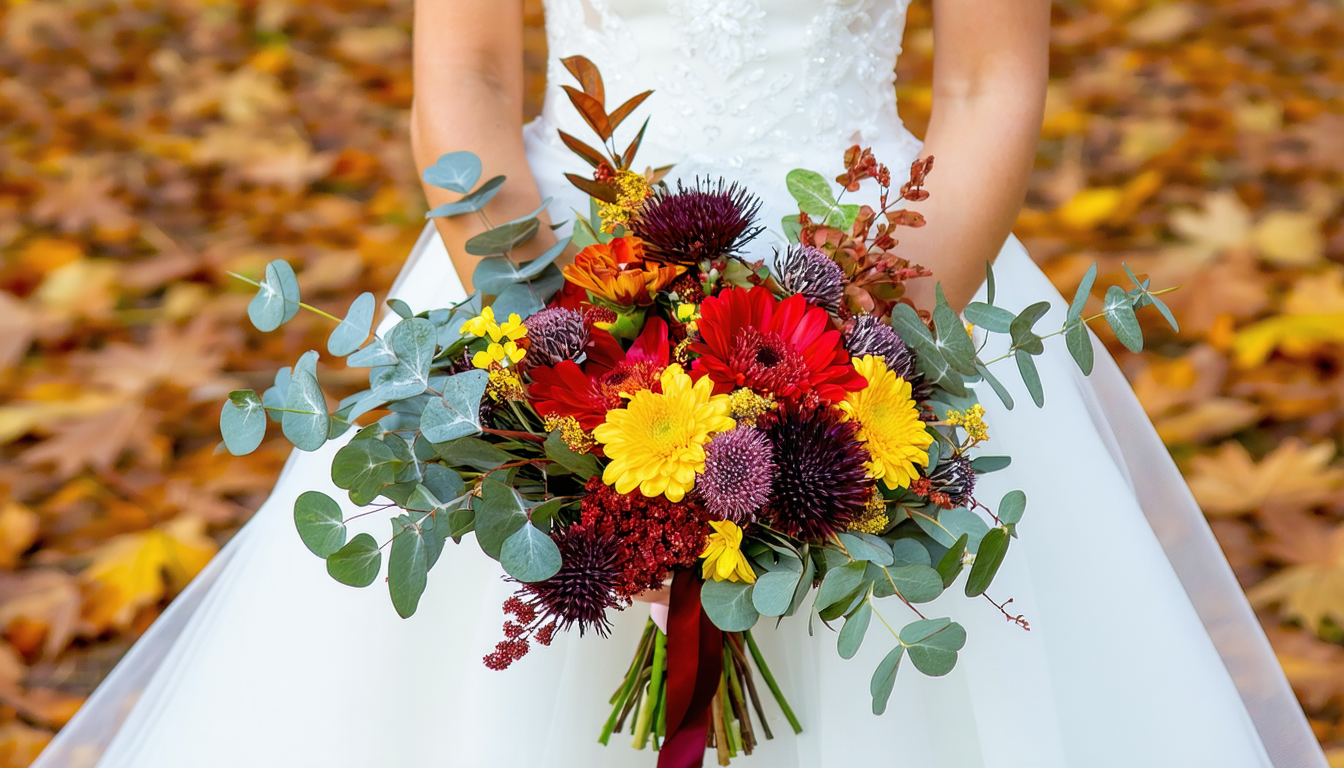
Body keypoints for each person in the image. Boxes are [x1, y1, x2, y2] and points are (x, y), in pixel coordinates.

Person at [34, 1, 1325, 766]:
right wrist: (559, 364)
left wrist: (875, 358)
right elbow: (466, 82)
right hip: (553, 265)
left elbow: (993, 78)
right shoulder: (548, 320)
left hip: (881, 256)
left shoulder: (882, 316)